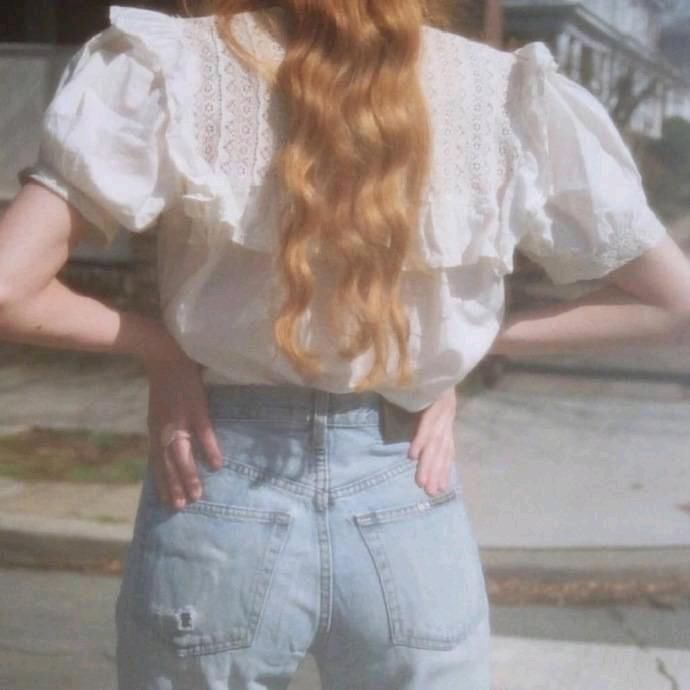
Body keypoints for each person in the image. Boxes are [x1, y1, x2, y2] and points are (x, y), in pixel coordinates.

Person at [0, 1, 689, 689]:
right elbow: (672, 304)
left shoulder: (174, 65)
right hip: (407, 485)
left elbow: (9, 289)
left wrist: (162, 350)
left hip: (217, 480)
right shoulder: (505, 93)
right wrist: (451, 351)